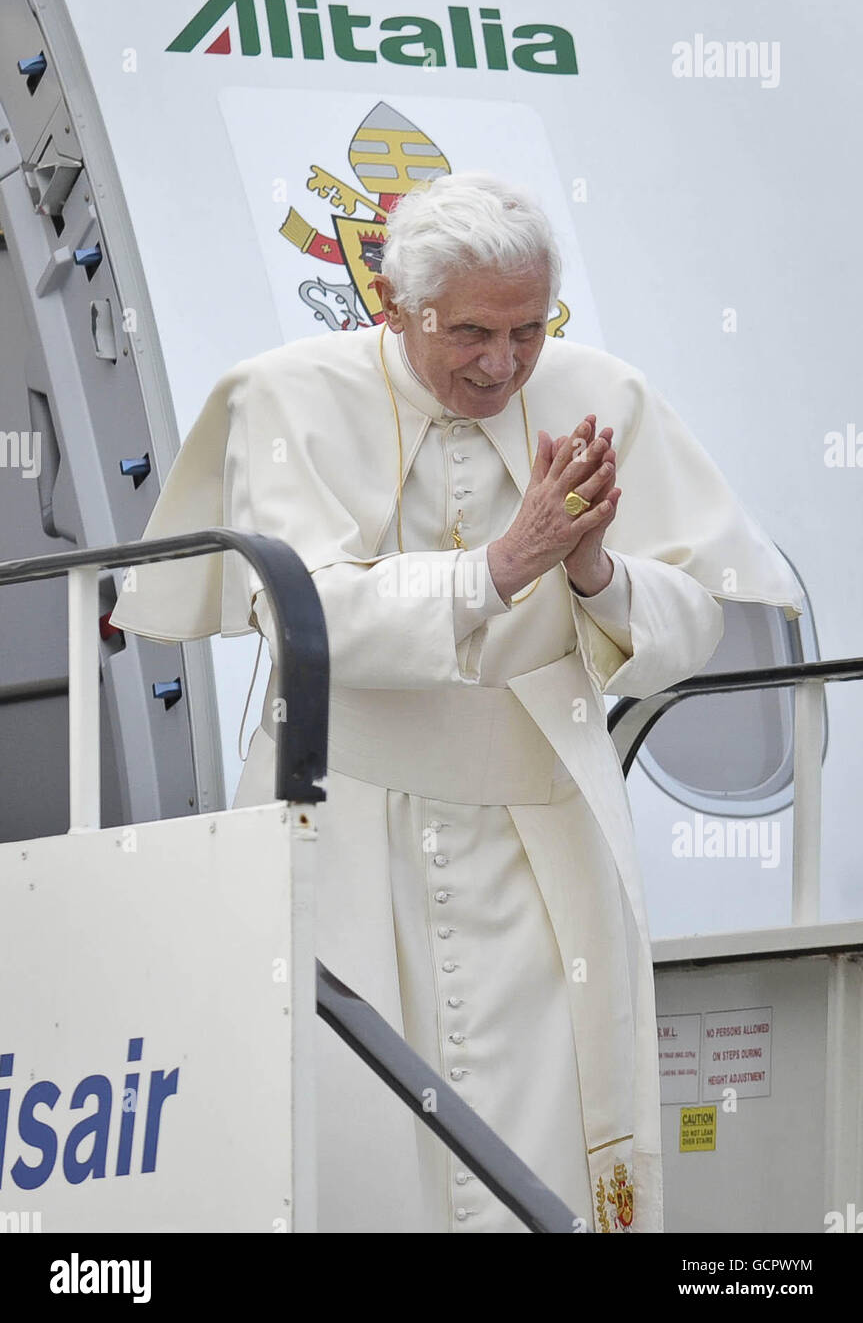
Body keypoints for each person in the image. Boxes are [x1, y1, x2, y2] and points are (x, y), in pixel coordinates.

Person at [109, 171, 803, 1234]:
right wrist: (501, 563)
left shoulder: (597, 394)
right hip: (340, 827)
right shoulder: (287, 397)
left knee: (547, 1156)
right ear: (392, 305)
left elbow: (696, 616)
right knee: (344, 1148)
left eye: (526, 330)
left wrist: (591, 574)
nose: (501, 364)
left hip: (543, 845)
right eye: (470, 332)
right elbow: (310, 617)